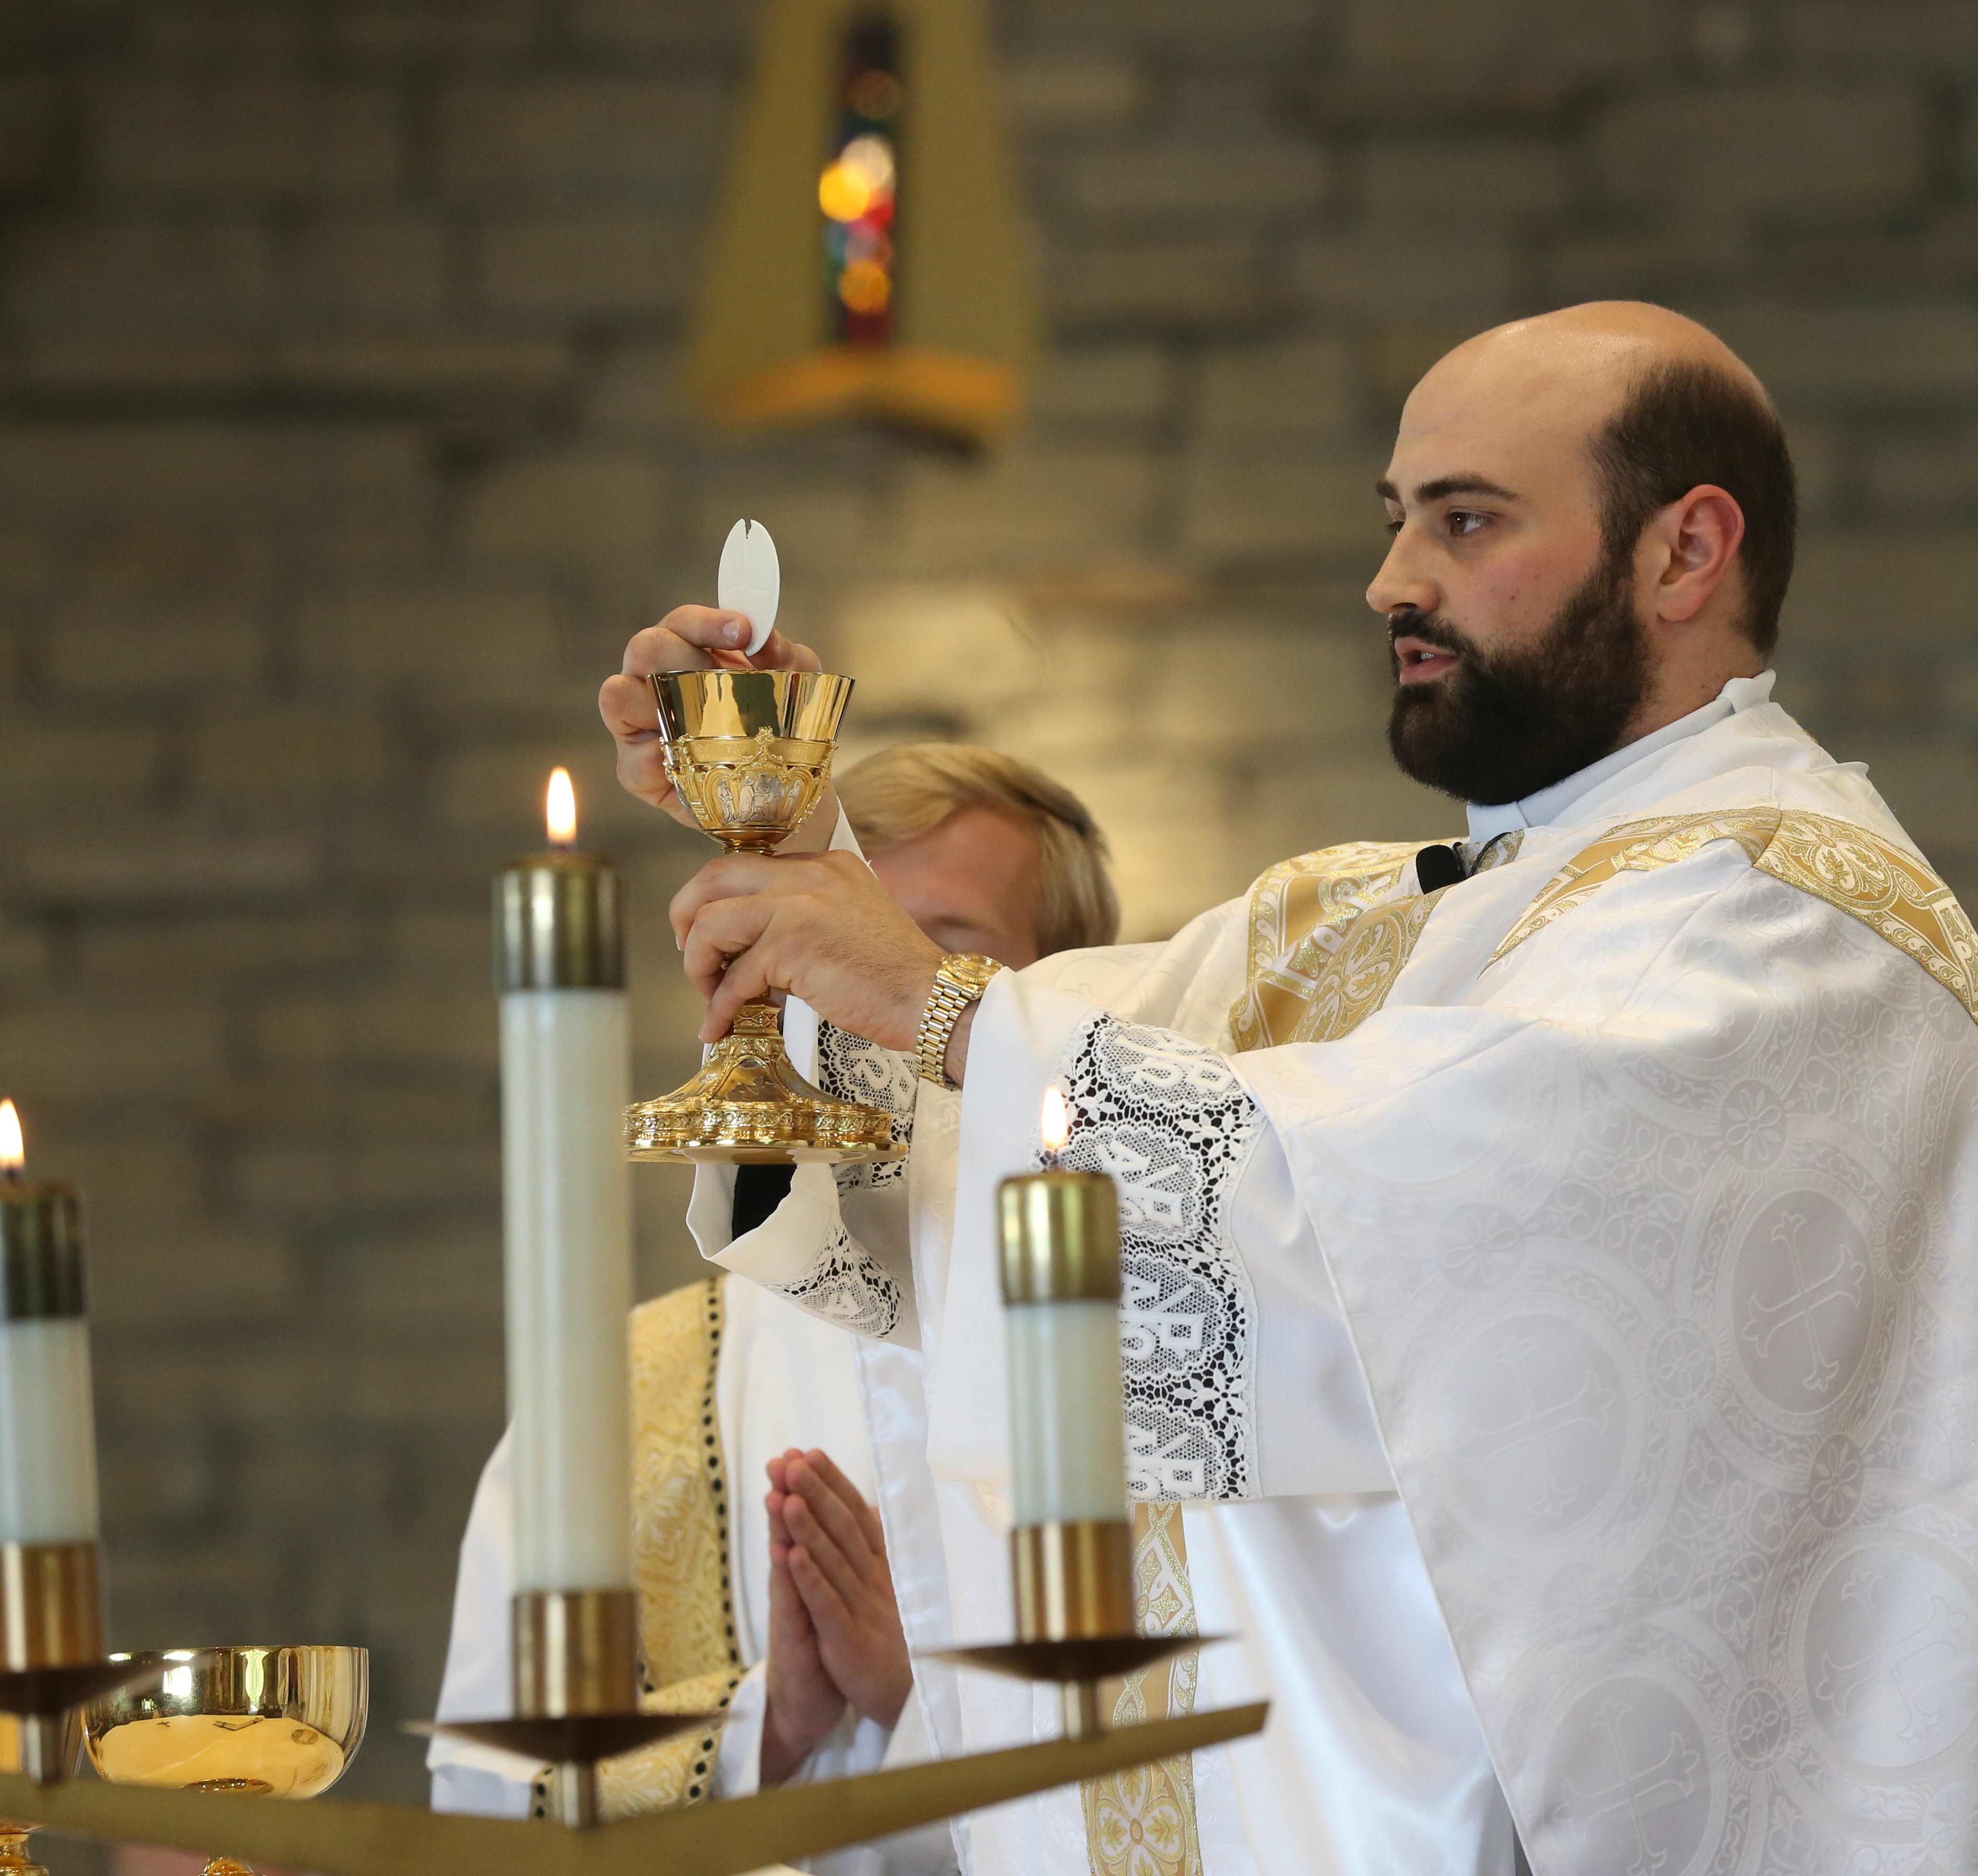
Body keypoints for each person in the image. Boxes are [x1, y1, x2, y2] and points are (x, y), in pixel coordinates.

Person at [606, 301, 1978, 1876]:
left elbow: (1366, 1248)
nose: (1393, 581)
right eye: (1396, 521)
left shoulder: (1787, 924)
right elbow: (962, 1145)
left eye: (1467, 521)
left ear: (1686, 552)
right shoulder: (1384, 910)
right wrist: (788, 843)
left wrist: (935, 995)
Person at [426, 743, 1119, 1871]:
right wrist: (769, 1725)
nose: (857, 992)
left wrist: (922, 1702)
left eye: (940, 951)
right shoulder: (632, 1391)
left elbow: (1267, 1758)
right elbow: (485, 1799)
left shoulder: (1167, 1355)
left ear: (1073, 998)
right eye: (824, 945)